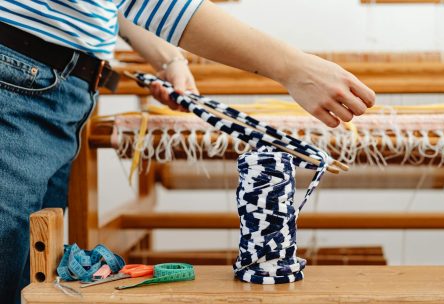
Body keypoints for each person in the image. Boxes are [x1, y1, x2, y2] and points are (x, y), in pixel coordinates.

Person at [0, 1, 375, 302]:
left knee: (23, 277)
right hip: (19, 77)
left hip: (52, 87)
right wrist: (294, 67)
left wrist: (171, 61)